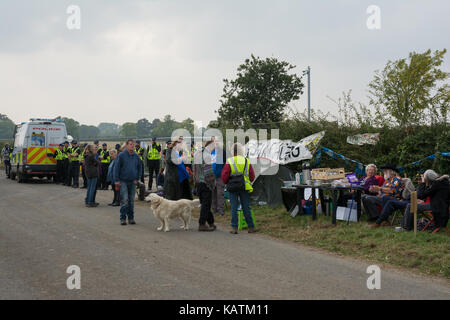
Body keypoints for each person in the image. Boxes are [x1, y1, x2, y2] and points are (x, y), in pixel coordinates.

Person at [222, 143, 257, 234]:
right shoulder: (246, 161)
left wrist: (227, 182)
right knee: (246, 207)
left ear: (232, 151)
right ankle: (251, 227)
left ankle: (234, 228)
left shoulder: (229, 161)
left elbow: (224, 176)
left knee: (234, 207)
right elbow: (252, 176)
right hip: (244, 187)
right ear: (241, 150)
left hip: (232, 187)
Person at [113, 139, 142, 226]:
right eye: (130, 144)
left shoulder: (136, 156)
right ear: (126, 145)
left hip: (133, 181)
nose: (132, 146)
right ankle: (123, 218)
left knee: (131, 201)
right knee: (125, 200)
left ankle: (131, 218)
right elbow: (116, 168)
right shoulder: (121, 156)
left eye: (133, 145)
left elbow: (140, 167)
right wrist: (116, 180)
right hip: (123, 181)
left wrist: (137, 178)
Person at [193, 140, 216, 231]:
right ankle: (201, 224)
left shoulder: (197, 154)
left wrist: (196, 181)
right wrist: (212, 184)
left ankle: (211, 222)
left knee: (205, 204)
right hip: (206, 183)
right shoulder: (207, 156)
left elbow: (194, 169)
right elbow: (209, 172)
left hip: (199, 182)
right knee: (206, 204)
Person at [211, 142, 225, 215]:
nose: (215, 144)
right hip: (212, 176)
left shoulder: (222, 151)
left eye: (217, 142)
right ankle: (214, 208)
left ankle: (221, 209)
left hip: (220, 175)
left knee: (220, 193)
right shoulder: (211, 152)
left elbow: (226, 162)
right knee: (213, 193)